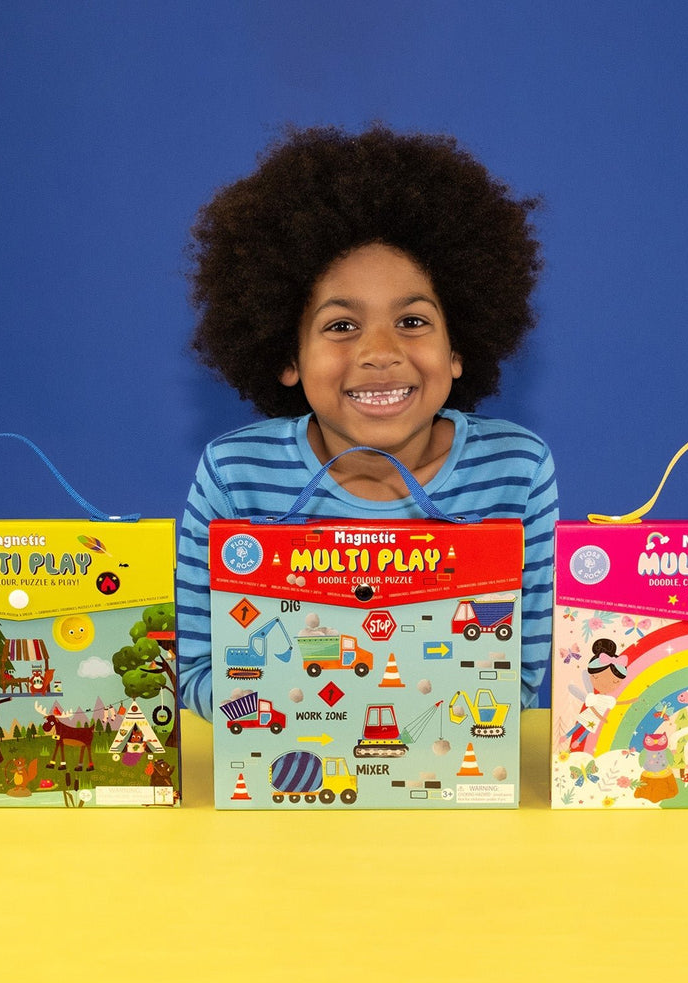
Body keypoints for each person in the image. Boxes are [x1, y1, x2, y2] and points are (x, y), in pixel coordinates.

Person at [177, 125, 558, 720]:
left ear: (458, 350)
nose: (380, 352)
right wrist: (299, 710)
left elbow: (522, 681)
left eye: (412, 322)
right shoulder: (234, 475)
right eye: (341, 326)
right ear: (288, 356)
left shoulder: (516, 470)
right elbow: (194, 672)